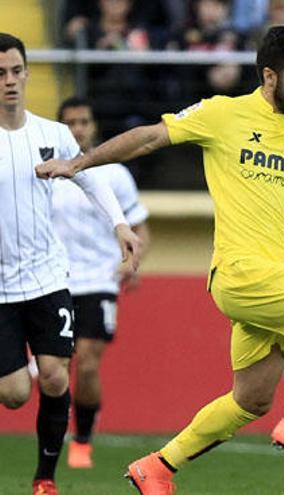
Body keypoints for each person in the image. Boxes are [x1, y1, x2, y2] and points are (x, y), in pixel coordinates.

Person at [36, 26, 284, 494]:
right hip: (239, 273)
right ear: (269, 76)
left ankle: (159, 467)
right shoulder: (223, 114)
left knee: (252, 399)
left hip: (270, 277)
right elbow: (149, 138)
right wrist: (79, 164)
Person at [0, 33, 140, 495]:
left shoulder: (52, 134)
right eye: (0, 74)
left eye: (16, 71)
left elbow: (92, 179)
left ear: (26, 73)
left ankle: (45, 479)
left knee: (58, 375)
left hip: (46, 278)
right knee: (16, 394)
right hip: (0, 289)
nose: (10, 81)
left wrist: (120, 225)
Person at [52, 97, 151, 470]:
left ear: (93, 125)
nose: (78, 129)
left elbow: (139, 227)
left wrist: (133, 261)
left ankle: (82, 440)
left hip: (99, 279)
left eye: (84, 121)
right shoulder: (47, 171)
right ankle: (54, 435)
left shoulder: (114, 173)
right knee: (56, 368)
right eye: (71, 123)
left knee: (88, 361)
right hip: (53, 279)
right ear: (61, 128)